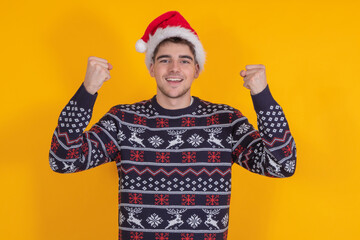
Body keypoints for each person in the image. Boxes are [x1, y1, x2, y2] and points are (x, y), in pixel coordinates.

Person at [49, 11, 297, 240]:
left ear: (197, 69)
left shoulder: (226, 121)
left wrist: (263, 97)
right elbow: (63, 160)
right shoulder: (122, 120)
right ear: (151, 68)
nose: (175, 68)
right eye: (165, 60)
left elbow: (282, 166)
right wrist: (87, 91)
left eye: (185, 61)